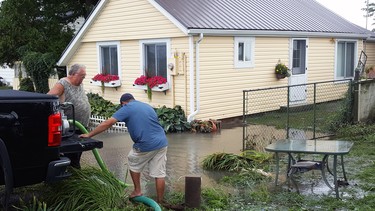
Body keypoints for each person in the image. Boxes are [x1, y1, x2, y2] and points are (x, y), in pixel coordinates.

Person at [79, 93, 168, 203]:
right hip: (162, 142)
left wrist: (89, 135)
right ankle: (161, 201)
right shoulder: (146, 106)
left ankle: (137, 191)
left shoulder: (127, 108)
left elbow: (108, 123)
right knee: (159, 173)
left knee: (133, 161)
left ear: (123, 103)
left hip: (146, 143)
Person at [47, 63, 91, 169]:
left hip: (82, 126)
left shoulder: (79, 83)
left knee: (78, 153)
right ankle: (72, 175)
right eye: (82, 76)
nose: (83, 78)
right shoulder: (62, 84)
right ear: (73, 74)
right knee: (72, 155)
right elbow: (48, 98)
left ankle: (74, 173)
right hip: (70, 129)